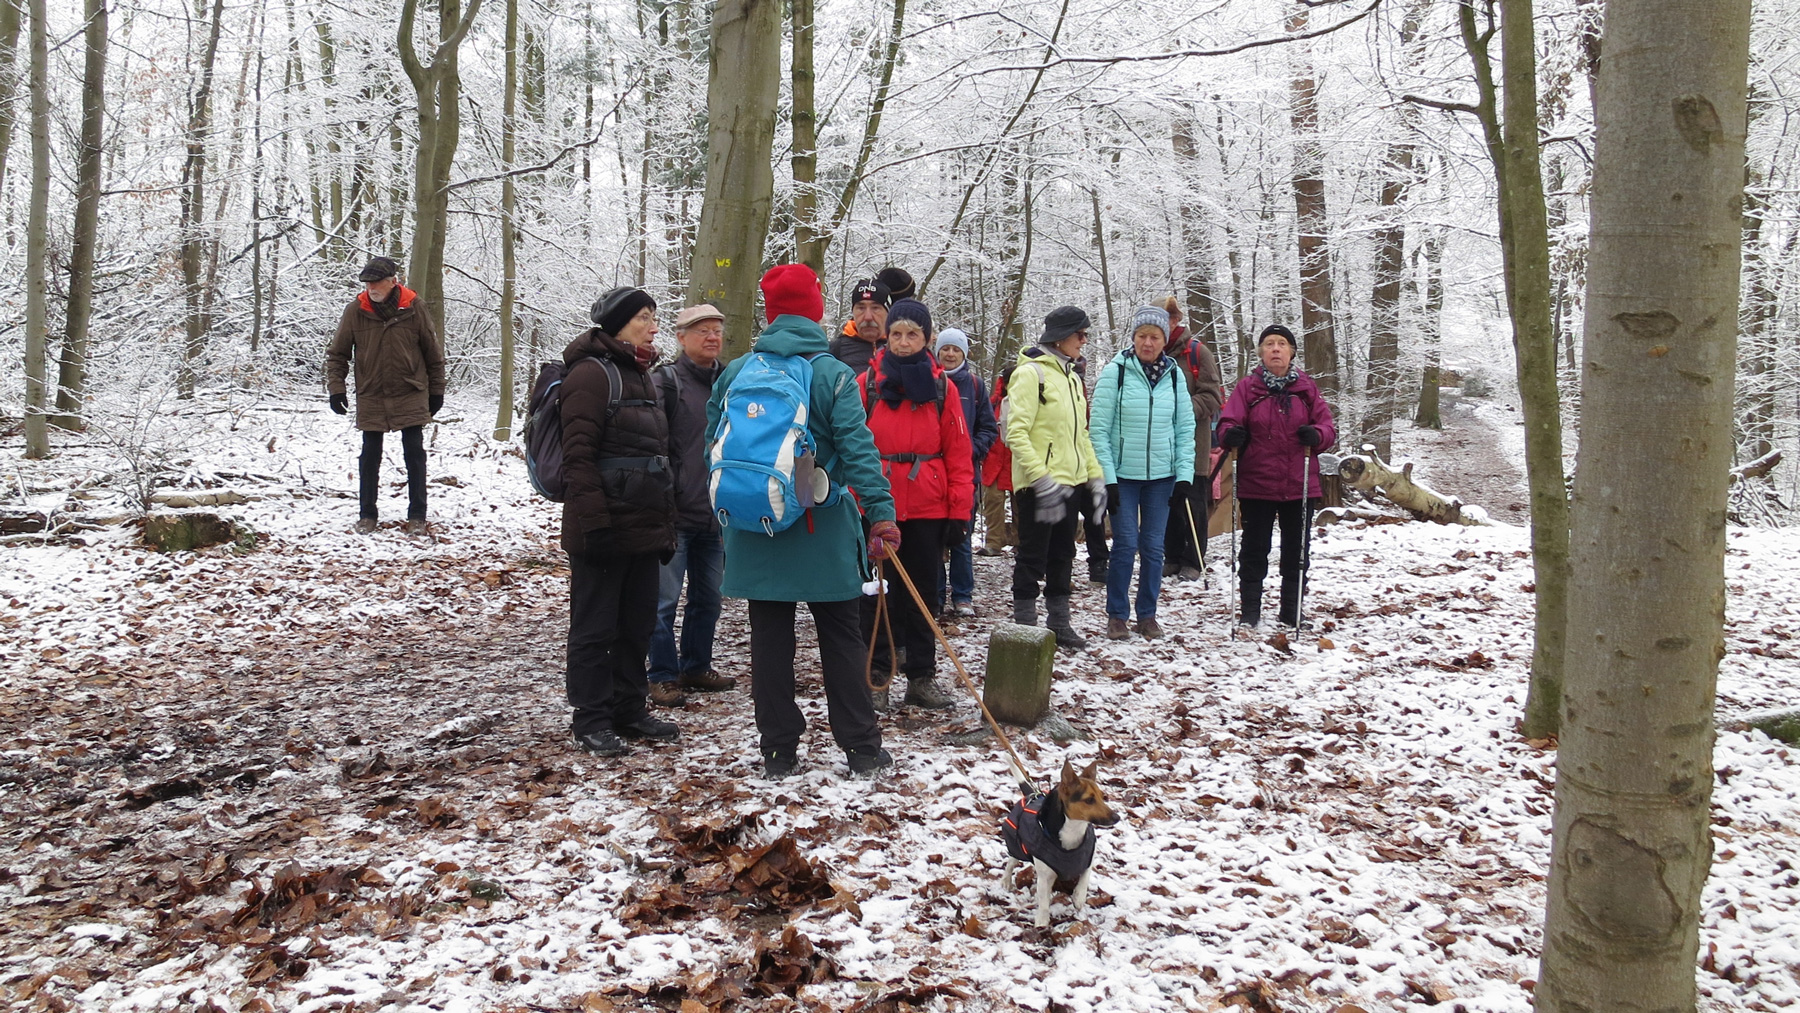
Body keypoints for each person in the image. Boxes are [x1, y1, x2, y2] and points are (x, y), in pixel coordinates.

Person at [707, 264, 897, 780]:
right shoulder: (833, 374)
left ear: (770, 314)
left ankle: (778, 752)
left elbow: (711, 446)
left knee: (769, 639)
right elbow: (859, 451)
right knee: (840, 635)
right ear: (816, 311)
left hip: (756, 526)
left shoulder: (737, 370)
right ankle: (860, 748)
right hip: (823, 526)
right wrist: (881, 514)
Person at [560, 286, 680, 755]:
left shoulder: (642, 375)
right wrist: (596, 527)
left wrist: (665, 522)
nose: (653, 326)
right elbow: (579, 459)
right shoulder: (591, 375)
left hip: (644, 529)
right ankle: (591, 718)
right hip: (604, 531)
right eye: (643, 318)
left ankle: (629, 708)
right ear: (618, 324)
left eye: (654, 317)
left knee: (636, 624)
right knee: (595, 628)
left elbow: (658, 458)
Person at [856, 301, 975, 710]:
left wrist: (960, 512)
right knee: (877, 595)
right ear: (886, 337)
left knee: (924, 594)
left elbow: (959, 455)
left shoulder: (945, 389)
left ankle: (922, 676)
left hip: (928, 505)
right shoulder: (867, 383)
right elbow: (853, 450)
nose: (903, 342)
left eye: (913, 335)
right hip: (877, 504)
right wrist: (860, 506)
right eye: (896, 334)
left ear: (927, 339)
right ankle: (877, 675)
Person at [1217, 324, 1338, 628]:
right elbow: (1226, 423)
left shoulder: (1306, 389)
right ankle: (1250, 611)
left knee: (1296, 552)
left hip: (1299, 485)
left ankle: (1291, 610)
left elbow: (1328, 428)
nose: (1275, 349)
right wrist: (1231, 434)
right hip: (1257, 484)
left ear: (1291, 352)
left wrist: (1317, 435)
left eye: (1281, 344)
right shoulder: (1248, 388)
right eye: (1269, 344)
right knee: (1254, 549)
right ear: (1260, 352)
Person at [646, 303, 735, 708]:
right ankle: (662, 675)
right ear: (681, 338)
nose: (712, 337)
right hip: (674, 514)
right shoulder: (664, 383)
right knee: (663, 601)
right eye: (702, 331)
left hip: (717, 514)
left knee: (708, 599)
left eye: (717, 330)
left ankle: (696, 665)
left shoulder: (733, 382)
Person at [1088, 305, 1196, 640]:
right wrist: (1108, 479)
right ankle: (1117, 615)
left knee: (1153, 547)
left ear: (1165, 340)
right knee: (1125, 544)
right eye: (1141, 336)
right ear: (1133, 338)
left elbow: (1184, 428)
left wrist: (1184, 476)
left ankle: (1147, 615)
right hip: (1123, 477)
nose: (1147, 343)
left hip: (1161, 478)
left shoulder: (1175, 375)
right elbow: (1099, 431)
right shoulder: (1115, 372)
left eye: (1154, 337)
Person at [1005, 306, 1107, 650]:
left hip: (1072, 483)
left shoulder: (1071, 376)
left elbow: (1081, 435)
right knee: (1033, 556)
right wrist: (1041, 478)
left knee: (1064, 554)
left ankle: (1059, 624)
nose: (1084, 340)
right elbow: (1015, 433)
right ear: (1061, 337)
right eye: (1080, 334)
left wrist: (1095, 478)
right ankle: (1025, 628)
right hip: (1039, 486)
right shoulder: (1030, 374)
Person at [324, 256, 446, 535]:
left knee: (414, 454)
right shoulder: (355, 311)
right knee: (369, 455)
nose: (371, 287)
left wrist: (437, 391)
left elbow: (433, 354)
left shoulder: (415, 308)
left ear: (393, 281)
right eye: (367, 283)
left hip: (410, 391)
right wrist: (337, 389)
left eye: (377, 282)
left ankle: (417, 516)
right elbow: (338, 354)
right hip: (371, 393)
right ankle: (367, 515)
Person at [1158, 296, 1225, 581]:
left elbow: (1212, 396)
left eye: (1166, 318)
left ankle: (1194, 558)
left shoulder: (1197, 353)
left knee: (1194, 498)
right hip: (1159, 442)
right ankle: (1171, 555)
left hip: (1193, 441)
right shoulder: (1150, 353)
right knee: (1165, 499)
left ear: (1176, 320)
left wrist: (1183, 410)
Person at [934, 328, 999, 618]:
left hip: (965, 475)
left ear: (964, 354)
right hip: (933, 474)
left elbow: (988, 427)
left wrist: (971, 449)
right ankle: (933, 597)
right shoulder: (928, 382)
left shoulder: (974, 386)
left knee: (962, 536)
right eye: (945, 349)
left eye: (955, 350)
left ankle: (962, 596)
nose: (949, 354)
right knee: (933, 539)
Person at [977, 364, 1019, 555]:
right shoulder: (993, 403)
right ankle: (994, 543)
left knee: (1021, 505)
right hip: (994, 460)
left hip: (1019, 461)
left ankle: (1021, 543)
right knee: (993, 502)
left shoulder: (1029, 403)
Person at [829, 278, 889, 374]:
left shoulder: (901, 348)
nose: (868, 317)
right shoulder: (835, 351)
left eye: (875, 308)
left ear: (888, 313)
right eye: (861, 308)